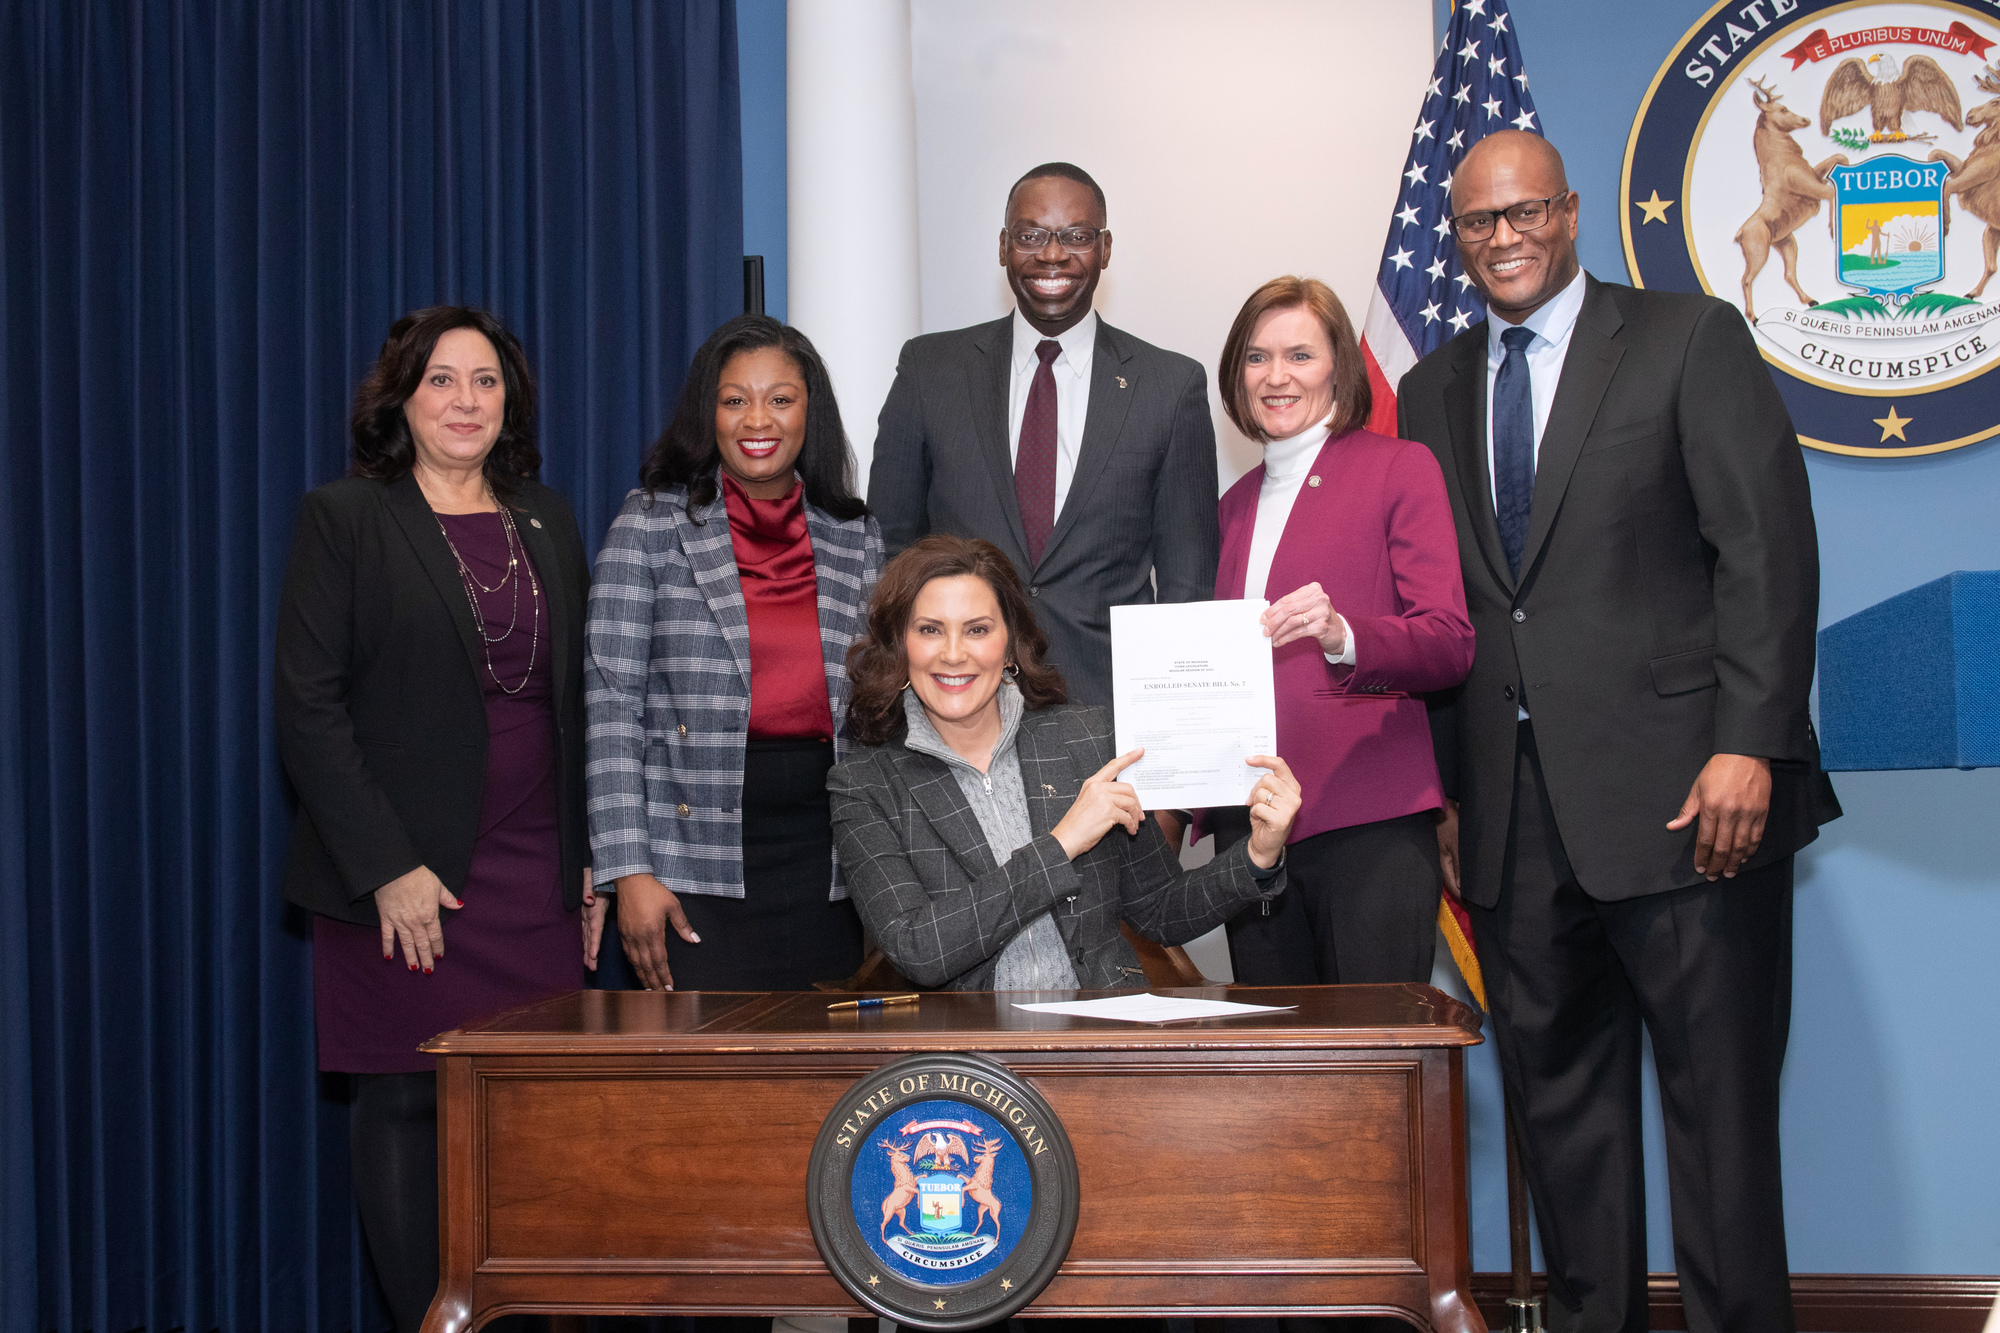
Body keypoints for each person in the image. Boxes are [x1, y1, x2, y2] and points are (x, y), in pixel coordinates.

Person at [1398, 131, 1841, 1333]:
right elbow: (1445, 611)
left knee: (1720, 1121)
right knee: (1563, 1126)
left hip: (1691, 800)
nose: (1503, 239)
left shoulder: (1683, 338)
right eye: (1479, 222)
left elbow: (1764, 549)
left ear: (1570, 211)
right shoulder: (1428, 388)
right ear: (1458, 233)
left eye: (1524, 212)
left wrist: (1749, 740)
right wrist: (1445, 794)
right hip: (1510, 820)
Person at [275, 306, 602, 1333]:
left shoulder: (546, 517)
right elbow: (307, 706)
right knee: (410, 1107)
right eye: (441, 381)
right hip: (406, 885)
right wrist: (387, 867)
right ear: (401, 400)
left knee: (535, 1125)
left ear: (511, 403)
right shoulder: (345, 518)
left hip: (535, 877)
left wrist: (590, 861)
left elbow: (579, 703)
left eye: (486, 382)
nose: (465, 402)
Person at [827, 535, 1299, 992]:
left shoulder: (1086, 740)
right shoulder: (864, 784)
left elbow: (1161, 910)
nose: (954, 654)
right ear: (900, 644)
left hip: (1099, 1041)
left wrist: (1259, 852)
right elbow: (919, 950)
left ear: (1010, 644)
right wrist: (1061, 844)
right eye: (930, 630)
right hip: (969, 1058)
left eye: (978, 629)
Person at [586, 314, 883, 993]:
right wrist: (629, 871)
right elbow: (611, 708)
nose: (760, 418)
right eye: (734, 399)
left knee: (826, 1084)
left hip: (829, 860)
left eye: (780, 398)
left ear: (811, 410)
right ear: (708, 413)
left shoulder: (855, 535)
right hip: (691, 862)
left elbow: (878, 709)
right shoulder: (650, 523)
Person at [867, 162, 1220, 709]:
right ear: (1004, 246)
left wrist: (1173, 748)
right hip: (957, 705)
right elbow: (890, 553)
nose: (1053, 255)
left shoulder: (1170, 386)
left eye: (1076, 237)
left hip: (1106, 713)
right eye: (1031, 236)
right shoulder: (929, 369)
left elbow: (1187, 586)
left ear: (1105, 248)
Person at [1206, 277, 1473, 993]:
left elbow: (1449, 641)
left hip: (1369, 822)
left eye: (1300, 354)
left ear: (1338, 368)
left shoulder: (1399, 468)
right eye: (1257, 358)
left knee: (1374, 1069)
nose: (1276, 376)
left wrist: (1343, 634)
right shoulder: (1230, 507)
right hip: (1253, 833)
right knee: (1280, 1080)